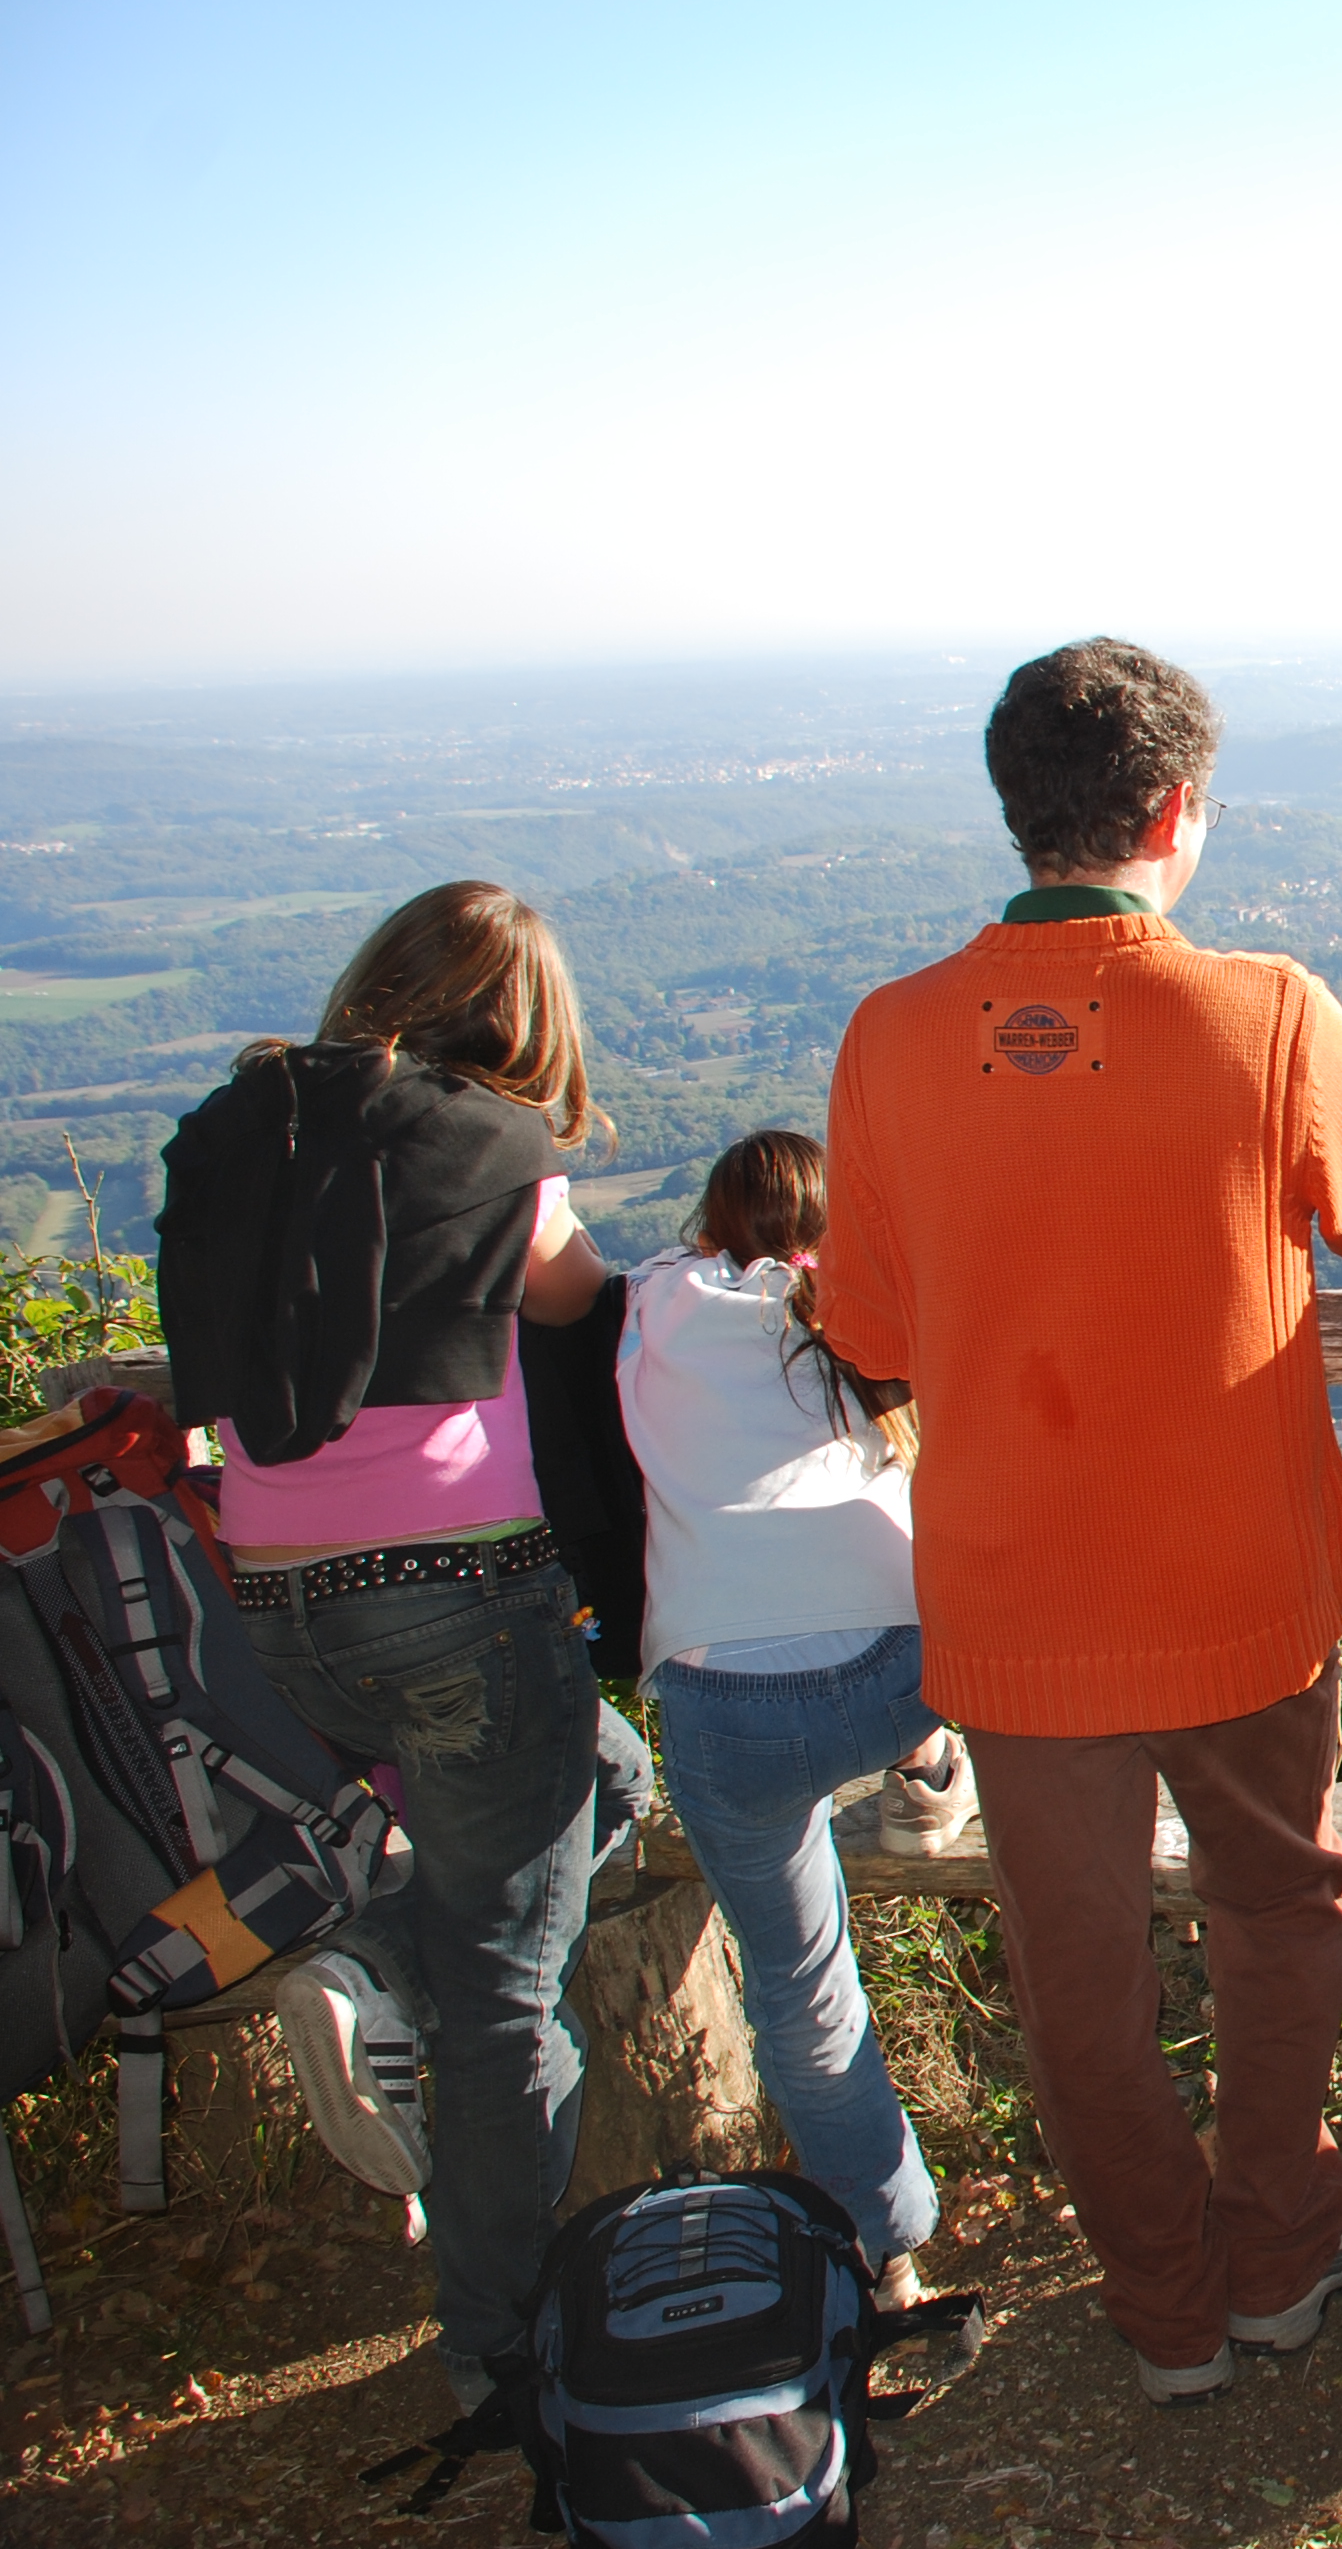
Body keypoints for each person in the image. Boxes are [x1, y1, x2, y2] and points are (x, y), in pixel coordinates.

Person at [816, 638, 1342, 2407]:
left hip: (1014, 1599)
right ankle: (1280, 2252)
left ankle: (1166, 2308)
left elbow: (870, 1329)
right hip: (1233, 1579)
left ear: (1018, 810)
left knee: (1076, 1967)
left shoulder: (893, 1037)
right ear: (1177, 809)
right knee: (1276, 1905)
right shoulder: (1262, 1011)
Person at [155, 880, 654, 2414]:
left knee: (608, 1779)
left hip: (280, 1611)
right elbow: (591, 1304)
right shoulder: (495, 1154)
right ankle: (500, 2348)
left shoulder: (250, 1133)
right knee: (507, 1998)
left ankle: (370, 1968)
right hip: (461, 1601)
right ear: (520, 1025)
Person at [616, 1129, 972, 2305]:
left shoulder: (656, 1302)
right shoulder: (859, 1308)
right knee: (942, 1624)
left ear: (709, 1226)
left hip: (725, 1705)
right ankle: (926, 1770)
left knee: (801, 1984)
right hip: (900, 1667)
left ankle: (885, 2250)